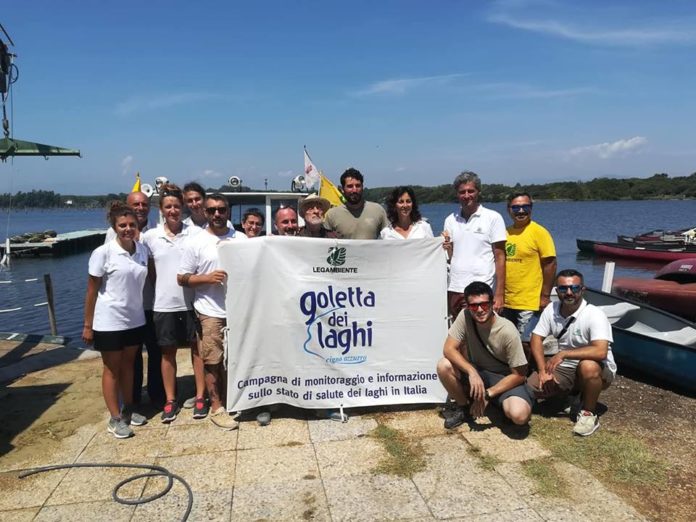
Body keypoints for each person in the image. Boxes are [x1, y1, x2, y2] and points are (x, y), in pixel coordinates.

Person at [178, 194, 247, 430]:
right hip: (210, 311)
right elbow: (182, 277)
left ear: (228, 211)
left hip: (238, 309)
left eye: (221, 209)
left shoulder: (241, 238)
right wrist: (206, 278)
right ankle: (217, 407)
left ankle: (233, 399)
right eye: (211, 210)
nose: (217, 214)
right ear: (205, 213)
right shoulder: (195, 241)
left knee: (236, 359)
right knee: (212, 360)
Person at [83, 202, 149, 439]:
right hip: (109, 321)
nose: (128, 229)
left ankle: (129, 409)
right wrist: (88, 325)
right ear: (114, 227)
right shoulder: (103, 253)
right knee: (111, 369)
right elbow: (92, 291)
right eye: (122, 225)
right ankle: (114, 418)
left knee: (129, 366)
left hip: (135, 319)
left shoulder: (142, 251)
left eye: (132, 224)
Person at [142, 184, 207, 423]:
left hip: (192, 303)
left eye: (177, 206)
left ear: (182, 208)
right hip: (164, 305)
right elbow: (151, 272)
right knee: (166, 353)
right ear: (161, 209)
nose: (173, 211)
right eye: (168, 206)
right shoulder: (150, 237)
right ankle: (171, 399)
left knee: (197, 351)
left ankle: (200, 396)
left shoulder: (195, 233)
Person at [527, 269, 617, 436]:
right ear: (557, 290)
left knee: (588, 367)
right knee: (530, 389)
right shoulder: (551, 309)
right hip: (566, 367)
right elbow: (536, 338)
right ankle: (570, 395)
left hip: (597, 368)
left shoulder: (594, 314)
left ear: (582, 289)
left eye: (574, 288)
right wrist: (542, 371)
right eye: (563, 288)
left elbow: (601, 351)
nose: (569, 292)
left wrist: (563, 354)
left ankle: (588, 414)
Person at [436, 282, 532, 429]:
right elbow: (449, 348)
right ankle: (464, 408)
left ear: (492, 304)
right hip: (479, 371)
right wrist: (471, 372)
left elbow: (519, 375)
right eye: (474, 306)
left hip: (504, 378)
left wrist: (488, 394)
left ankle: (495, 400)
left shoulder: (507, 330)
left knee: (519, 415)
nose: (480, 310)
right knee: (443, 365)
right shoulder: (465, 316)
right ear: (468, 307)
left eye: (484, 305)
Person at [106, 190, 164, 407]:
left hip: (153, 303)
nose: (140, 208)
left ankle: (157, 395)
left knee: (156, 351)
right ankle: (134, 399)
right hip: (128, 308)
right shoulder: (113, 233)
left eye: (144, 204)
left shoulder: (157, 231)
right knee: (132, 357)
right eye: (135, 204)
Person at [443, 171, 506, 320]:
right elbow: (450, 257)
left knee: (483, 331)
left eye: (470, 191)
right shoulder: (450, 220)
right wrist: (447, 249)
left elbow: (500, 257)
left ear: (478, 192)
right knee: (460, 331)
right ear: (457, 194)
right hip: (455, 288)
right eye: (462, 192)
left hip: (482, 289)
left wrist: (499, 294)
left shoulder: (493, 218)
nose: (466, 195)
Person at [501, 192, 557, 345]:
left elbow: (550, 264)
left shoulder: (539, 232)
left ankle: (530, 362)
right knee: (508, 342)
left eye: (525, 207)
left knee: (527, 343)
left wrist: (545, 296)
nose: (521, 211)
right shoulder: (505, 233)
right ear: (508, 209)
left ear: (531, 208)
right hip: (507, 301)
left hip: (530, 302)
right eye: (516, 207)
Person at [323, 168, 388, 239]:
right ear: (342, 189)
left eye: (358, 186)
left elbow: (390, 238)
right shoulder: (331, 215)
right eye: (350, 186)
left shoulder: (378, 210)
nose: (354, 190)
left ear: (362, 187)